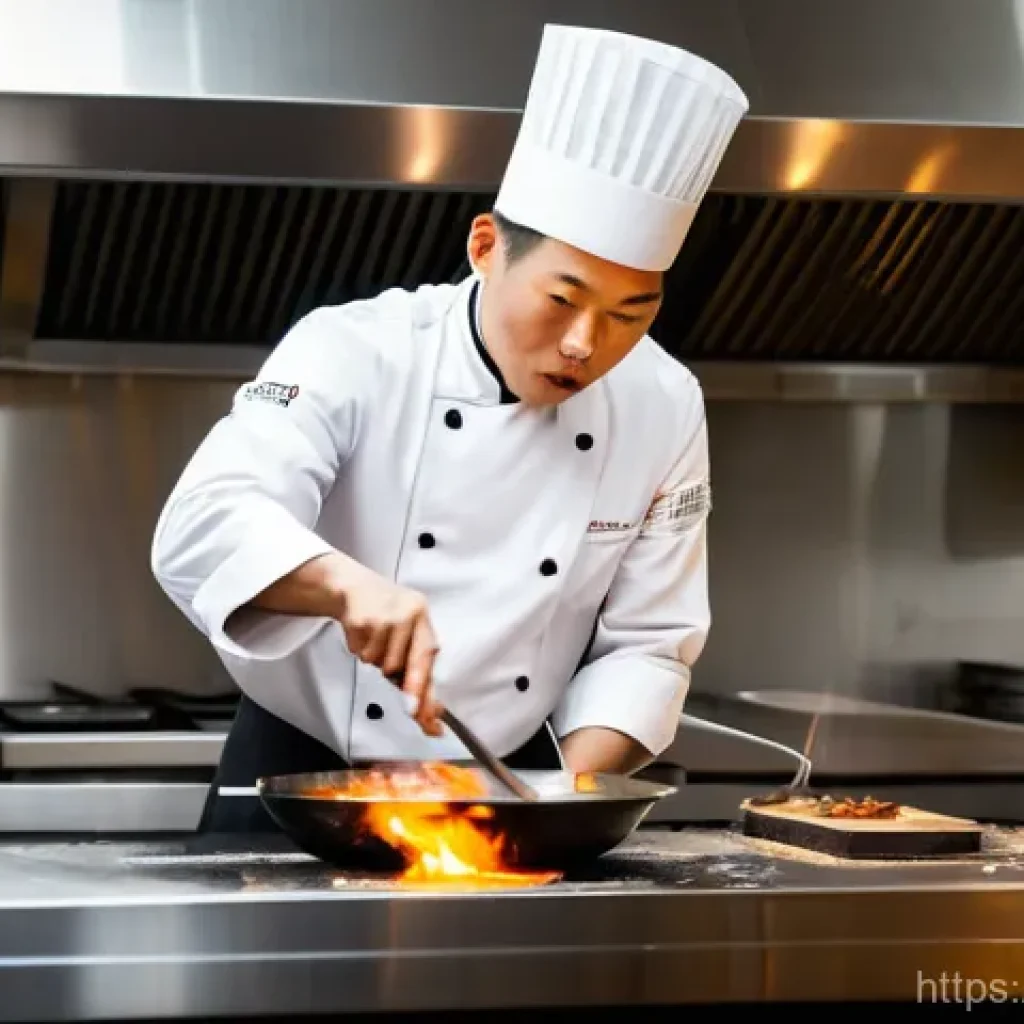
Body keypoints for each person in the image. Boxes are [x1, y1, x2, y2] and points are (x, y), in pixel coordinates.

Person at [151, 23, 749, 833]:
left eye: (628, 314)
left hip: (509, 788)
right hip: (302, 780)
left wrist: (550, 802)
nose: (585, 345)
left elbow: (648, 642)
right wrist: (346, 586)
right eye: (562, 300)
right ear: (484, 247)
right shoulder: (356, 348)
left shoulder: (664, 402)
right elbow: (205, 521)